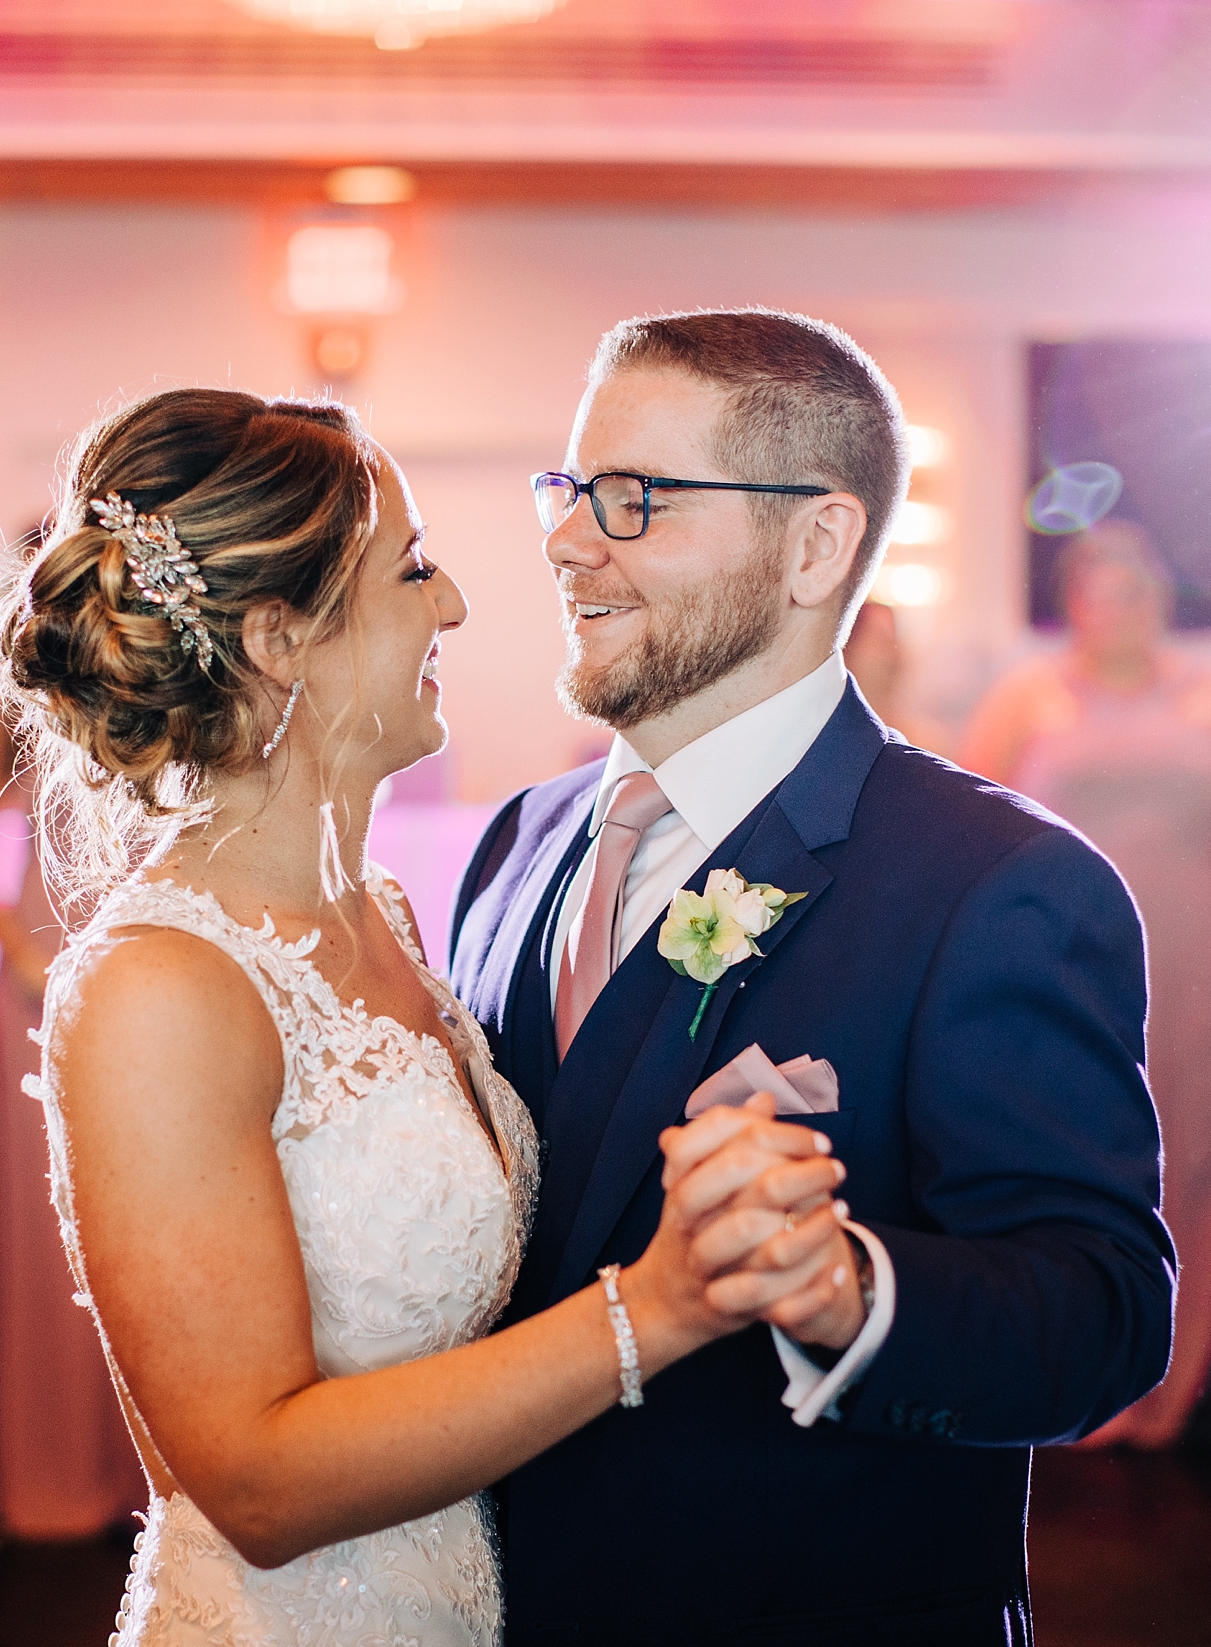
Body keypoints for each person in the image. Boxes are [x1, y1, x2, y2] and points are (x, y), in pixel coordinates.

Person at [0, 386, 841, 1644]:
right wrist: (651, 1310)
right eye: (412, 569)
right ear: (281, 636)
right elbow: (257, 1483)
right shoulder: (156, 987)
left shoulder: (379, 912)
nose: (450, 604)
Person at [452, 309, 1171, 1644]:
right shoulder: (517, 840)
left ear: (814, 544)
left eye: (635, 498)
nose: (565, 541)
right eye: (569, 490)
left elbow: (1101, 1312)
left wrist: (845, 1282)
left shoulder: (993, 882)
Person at [957, 519, 1211, 1447]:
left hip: (1200, 950)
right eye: (1098, 588)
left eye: (1134, 587)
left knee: (1197, 1154)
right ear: (1074, 602)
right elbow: (967, 828)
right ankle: (1074, 1368)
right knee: (1074, 1151)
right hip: (1064, 957)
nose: (1116, 606)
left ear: (1160, 599)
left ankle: (1174, 1376)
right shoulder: (1028, 698)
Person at [0, 715, 145, 1540]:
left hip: (126, 988)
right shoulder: (9, 772)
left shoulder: (147, 749)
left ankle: (127, 1463)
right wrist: (26, 960)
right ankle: (41, 1462)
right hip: (34, 995)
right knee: (41, 1237)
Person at [841, 599, 954, 753]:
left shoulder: (923, 745)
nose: (896, 656)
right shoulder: (826, 737)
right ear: (848, 650)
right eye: (884, 643)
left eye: (895, 642)